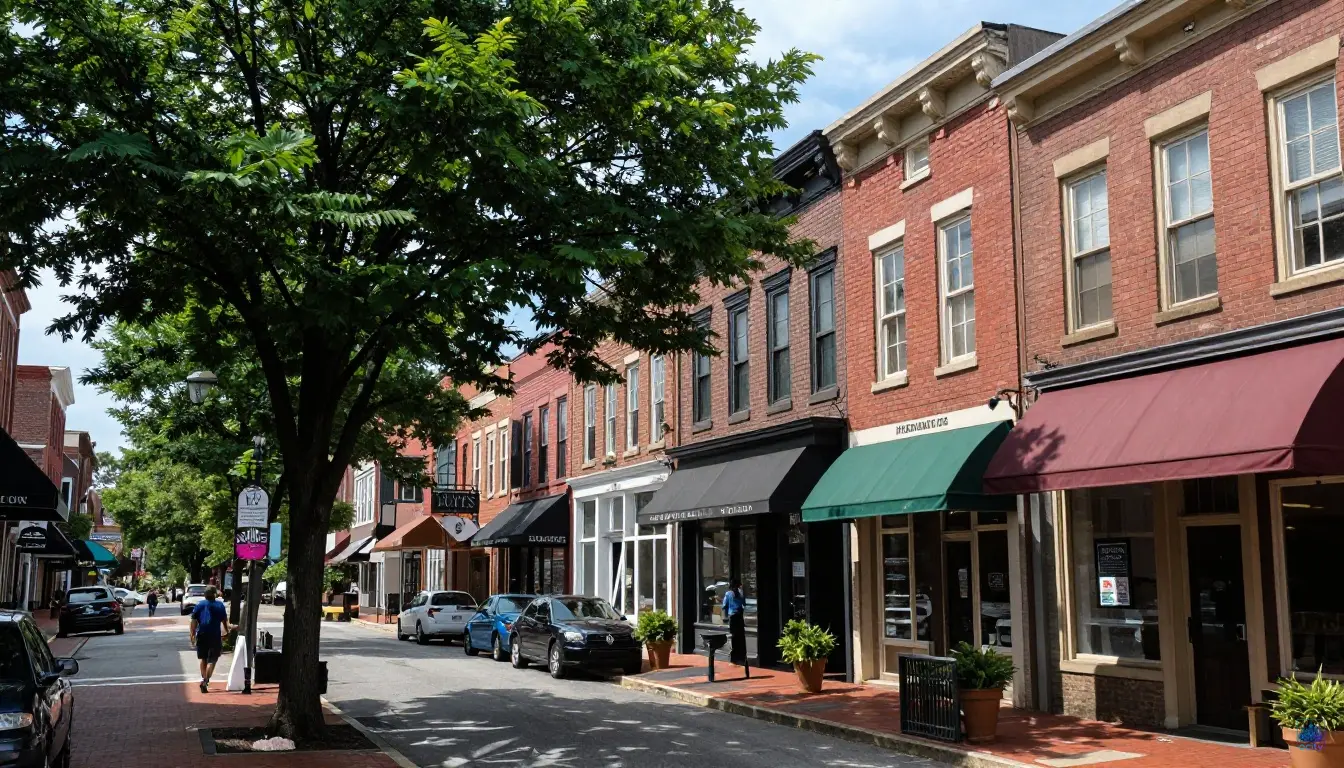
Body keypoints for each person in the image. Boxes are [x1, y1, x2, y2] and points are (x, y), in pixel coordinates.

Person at [189, 586, 231, 693]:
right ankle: (205, 680)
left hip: (202, 634)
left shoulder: (199, 605)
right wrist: (227, 631)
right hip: (214, 635)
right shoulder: (219, 605)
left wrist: (192, 635)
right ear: (214, 594)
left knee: (203, 659)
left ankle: (203, 679)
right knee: (213, 660)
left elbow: (193, 621)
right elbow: (225, 621)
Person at [722, 579, 747, 667]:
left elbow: (724, 606)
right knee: (741, 637)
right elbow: (744, 604)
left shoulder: (728, 594)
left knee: (733, 636)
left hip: (732, 617)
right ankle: (742, 657)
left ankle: (734, 659)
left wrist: (724, 617)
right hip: (739, 616)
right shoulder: (741, 593)